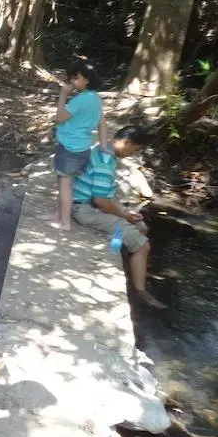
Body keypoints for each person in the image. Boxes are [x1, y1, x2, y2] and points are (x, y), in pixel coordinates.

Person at [71, 125, 165, 309]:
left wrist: (126, 212)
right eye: (135, 150)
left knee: (142, 227)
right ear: (127, 143)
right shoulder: (105, 162)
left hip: (88, 204)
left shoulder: (104, 150)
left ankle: (133, 266)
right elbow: (100, 200)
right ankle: (140, 293)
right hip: (85, 209)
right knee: (144, 245)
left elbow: (107, 194)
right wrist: (123, 215)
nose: (132, 154)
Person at [53, 59, 105, 230]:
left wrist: (63, 95)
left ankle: (64, 222)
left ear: (87, 79)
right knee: (64, 182)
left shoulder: (81, 100)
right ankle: (58, 215)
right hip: (82, 148)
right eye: (71, 78)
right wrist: (103, 146)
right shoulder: (96, 98)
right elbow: (102, 123)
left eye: (76, 78)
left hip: (70, 148)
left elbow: (59, 117)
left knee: (65, 185)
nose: (72, 82)